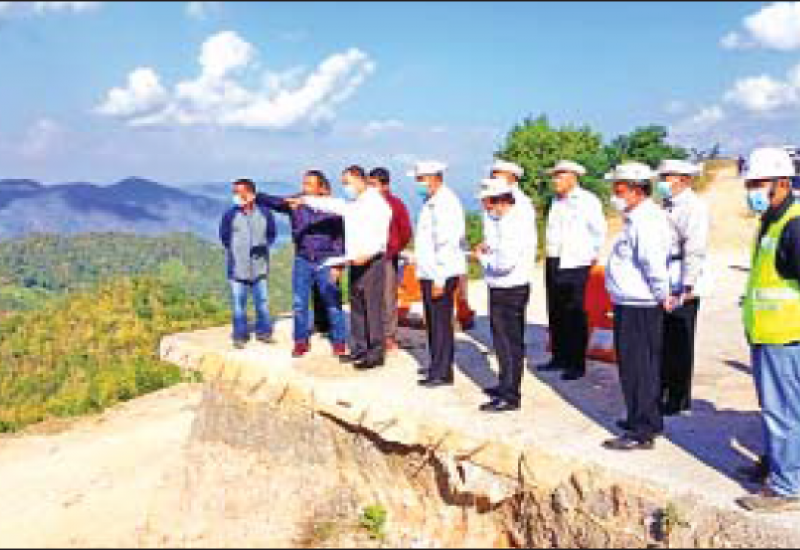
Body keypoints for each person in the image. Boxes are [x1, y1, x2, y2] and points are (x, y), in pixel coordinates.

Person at [736, 147, 800, 513]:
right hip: (766, 334)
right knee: (776, 409)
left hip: (786, 336)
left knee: (784, 412)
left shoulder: (794, 224)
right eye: (750, 184)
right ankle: (777, 464)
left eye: (759, 183)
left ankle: (788, 487)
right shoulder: (770, 221)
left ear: (783, 182)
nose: (753, 191)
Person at [289, 165, 393, 370]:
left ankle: (375, 354)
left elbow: (381, 234)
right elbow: (334, 205)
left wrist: (368, 254)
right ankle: (359, 350)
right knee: (357, 308)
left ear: (359, 179)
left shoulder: (376, 203)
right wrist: (305, 200)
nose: (345, 187)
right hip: (354, 260)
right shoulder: (355, 202)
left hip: (371, 261)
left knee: (372, 308)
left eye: (347, 183)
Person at [603, 162, 673, 451]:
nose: (614, 194)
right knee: (637, 366)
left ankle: (641, 430)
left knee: (638, 368)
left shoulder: (646, 221)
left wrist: (662, 295)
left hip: (640, 305)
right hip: (631, 302)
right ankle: (644, 418)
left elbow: (652, 263)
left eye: (618, 189)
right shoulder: (637, 218)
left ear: (635, 190)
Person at [255, 170, 347, 359]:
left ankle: (339, 342)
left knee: (332, 302)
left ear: (321, 188)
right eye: (304, 183)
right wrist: (255, 195)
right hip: (303, 259)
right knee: (299, 303)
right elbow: (276, 202)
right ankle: (300, 341)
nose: (304, 187)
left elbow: (340, 238)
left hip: (326, 259)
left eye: (309, 184)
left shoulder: (333, 208)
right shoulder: (296, 204)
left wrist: (338, 264)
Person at [473, 178, 536, 412]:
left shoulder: (512, 224)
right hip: (502, 286)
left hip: (509, 288)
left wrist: (482, 258)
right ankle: (505, 383)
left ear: (498, 201)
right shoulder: (504, 221)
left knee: (508, 343)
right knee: (503, 341)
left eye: (486, 202)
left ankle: (510, 395)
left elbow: (504, 263)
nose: (484, 207)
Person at [541, 160, 607, 381]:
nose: (555, 181)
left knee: (575, 312)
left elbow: (598, 231)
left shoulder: (587, 201)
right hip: (554, 258)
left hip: (576, 261)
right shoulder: (556, 201)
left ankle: (576, 362)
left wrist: (590, 256)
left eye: (559, 176)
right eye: (554, 176)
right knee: (556, 310)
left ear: (573, 177)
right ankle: (559, 356)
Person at [655, 159, 711, 416]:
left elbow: (695, 248)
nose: (663, 182)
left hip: (682, 277)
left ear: (684, 180)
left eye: (668, 177)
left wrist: (688, 283)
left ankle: (678, 397)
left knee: (680, 340)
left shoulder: (693, 207)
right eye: (662, 177)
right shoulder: (665, 205)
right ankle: (663, 388)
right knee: (664, 338)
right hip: (666, 274)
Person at [411, 160, 467, 388]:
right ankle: (437, 364)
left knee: (441, 323)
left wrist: (440, 279)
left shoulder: (446, 203)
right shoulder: (431, 201)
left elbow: (447, 243)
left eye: (421, 179)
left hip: (440, 273)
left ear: (434, 178)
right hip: (429, 271)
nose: (419, 184)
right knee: (433, 323)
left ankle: (443, 371)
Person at [219, 179, 278, 349]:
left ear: (251, 194)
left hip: (260, 267)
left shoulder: (265, 213)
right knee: (239, 305)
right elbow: (224, 237)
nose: (237, 196)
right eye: (235, 192)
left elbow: (271, 234)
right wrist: (237, 250)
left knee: (262, 303)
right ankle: (239, 336)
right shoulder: (230, 215)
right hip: (237, 268)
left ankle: (264, 333)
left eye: (240, 192)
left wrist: (263, 246)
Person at [368, 167, 414, 353]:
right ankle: (373, 333)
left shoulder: (395, 204)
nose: (370, 188)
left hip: (387, 256)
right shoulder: (365, 204)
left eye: (373, 184)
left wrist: (394, 248)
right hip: (368, 256)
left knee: (388, 297)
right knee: (371, 296)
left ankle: (389, 336)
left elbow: (406, 231)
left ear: (385, 185)